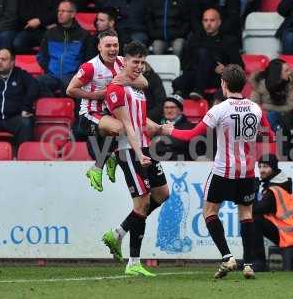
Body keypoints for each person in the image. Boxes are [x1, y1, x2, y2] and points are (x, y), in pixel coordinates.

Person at [162, 64, 274, 279]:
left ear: (223, 84)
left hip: (224, 170)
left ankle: (227, 257)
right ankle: (249, 264)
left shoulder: (219, 109)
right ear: (243, 85)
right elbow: (269, 134)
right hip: (248, 172)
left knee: (210, 211)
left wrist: (170, 130)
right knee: (246, 214)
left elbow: (192, 135)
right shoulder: (255, 108)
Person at [102, 41, 170, 277]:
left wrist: (161, 128)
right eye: (135, 62)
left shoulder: (136, 87)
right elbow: (127, 125)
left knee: (162, 194)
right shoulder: (115, 89)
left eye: (142, 62)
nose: (140, 66)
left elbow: (141, 121)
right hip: (129, 151)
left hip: (144, 147)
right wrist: (139, 153)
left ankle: (119, 233)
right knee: (141, 204)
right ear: (124, 61)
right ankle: (133, 262)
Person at [66, 30, 148, 192]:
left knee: (142, 125)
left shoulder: (122, 62)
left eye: (115, 45)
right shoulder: (90, 67)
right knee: (120, 128)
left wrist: (127, 81)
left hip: (111, 113)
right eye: (108, 45)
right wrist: (96, 95)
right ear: (99, 47)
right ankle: (99, 166)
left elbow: (144, 83)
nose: (112, 49)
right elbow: (70, 90)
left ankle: (109, 159)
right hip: (89, 115)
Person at [248, 154, 293, 271]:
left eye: (265, 166)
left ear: (273, 168)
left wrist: (253, 192)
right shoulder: (281, 182)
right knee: (255, 218)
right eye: (260, 166)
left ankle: (259, 262)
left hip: (287, 234)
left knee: (254, 219)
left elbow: (256, 209)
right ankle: (249, 260)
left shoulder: (274, 189)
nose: (262, 170)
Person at [172, 8, 243, 99]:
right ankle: (186, 109)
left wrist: (226, 69)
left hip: (217, 77)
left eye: (212, 20)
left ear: (219, 22)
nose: (208, 24)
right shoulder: (194, 40)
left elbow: (240, 66)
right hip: (196, 75)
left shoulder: (229, 41)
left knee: (203, 52)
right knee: (177, 83)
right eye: (205, 20)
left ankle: (199, 91)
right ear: (202, 22)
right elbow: (185, 63)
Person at [36, 0, 96, 97]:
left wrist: (77, 75)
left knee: (70, 85)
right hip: (52, 76)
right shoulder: (50, 33)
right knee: (35, 82)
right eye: (59, 11)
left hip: (72, 77)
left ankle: (65, 108)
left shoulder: (84, 35)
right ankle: (52, 105)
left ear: (72, 14)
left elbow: (89, 60)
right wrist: (49, 70)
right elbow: (41, 57)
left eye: (63, 11)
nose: (60, 13)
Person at [0, 48, 39, 147]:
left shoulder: (21, 75)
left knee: (25, 122)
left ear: (12, 62)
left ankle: (22, 159)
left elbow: (34, 86)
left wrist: (26, 107)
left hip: (13, 118)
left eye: (3, 59)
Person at [250, 59, 293, 132]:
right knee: (271, 115)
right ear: (278, 73)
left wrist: (266, 106)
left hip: (285, 117)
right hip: (265, 120)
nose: (290, 73)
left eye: (289, 70)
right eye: (286, 71)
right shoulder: (260, 84)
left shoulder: (289, 83)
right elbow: (254, 107)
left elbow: (291, 106)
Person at [154, 94, 196, 161]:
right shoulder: (157, 125)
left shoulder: (189, 127)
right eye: (166, 108)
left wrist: (160, 141)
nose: (169, 111)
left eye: (172, 107)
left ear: (180, 110)